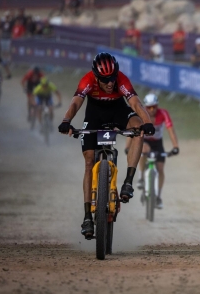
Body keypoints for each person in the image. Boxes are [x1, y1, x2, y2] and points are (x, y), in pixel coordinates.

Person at [57, 52, 155, 238]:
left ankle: (128, 182)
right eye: (105, 79)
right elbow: (76, 102)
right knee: (88, 161)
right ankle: (87, 217)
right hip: (94, 115)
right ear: (96, 76)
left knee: (139, 128)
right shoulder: (87, 80)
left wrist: (147, 121)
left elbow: (135, 103)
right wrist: (66, 120)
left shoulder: (121, 80)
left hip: (118, 111)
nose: (110, 83)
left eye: (112, 78)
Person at [129, 93, 180, 210]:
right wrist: (128, 146)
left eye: (154, 107)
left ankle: (158, 197)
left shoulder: (163, 113)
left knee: (161, 168)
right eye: (149, 107)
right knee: (143, 150)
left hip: (157, 143)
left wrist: (175, 146)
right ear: (145, 107)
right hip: (144, 140)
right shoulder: (141, 114)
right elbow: (133, 129)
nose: (152, 110)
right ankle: (141, 177)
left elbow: (170, 130)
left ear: (157, 106)